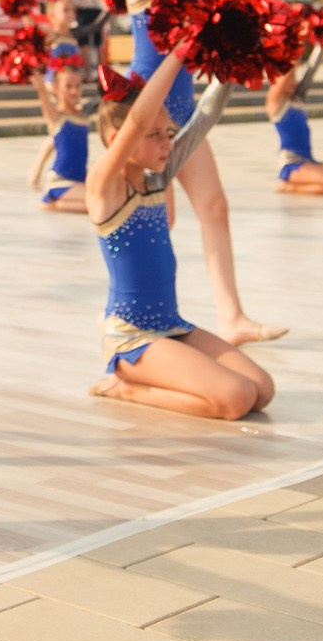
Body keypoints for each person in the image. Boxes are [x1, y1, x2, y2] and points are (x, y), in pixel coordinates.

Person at [125, 0, 305, 343]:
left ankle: (233, 318)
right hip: (147, 121)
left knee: (215, 207)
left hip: (186, 115)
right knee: (156, 221)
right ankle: (141, 316)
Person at [85, 53, 276, 418]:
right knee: (235, 399)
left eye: (168, 134)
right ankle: (126, 388)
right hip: (133, 338)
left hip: (170, 327)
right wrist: (179, 55)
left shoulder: (158, 178)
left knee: (262, 390)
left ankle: (153, 377)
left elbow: (205, 116)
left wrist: (234, 58)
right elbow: (139, 117)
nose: (167, 143)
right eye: (154, 136)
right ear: (117, 139)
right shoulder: (105, 189)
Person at [265, 44, 323, 195]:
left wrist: (322, 44)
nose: (292, 82)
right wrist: (295, 41)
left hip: (308, 160)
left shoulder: (297, 98)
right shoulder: (275, 104)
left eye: (294, 78)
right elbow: (286, 71)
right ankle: (289, 187)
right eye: (289, 79)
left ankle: (296, 184)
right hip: (292, 164)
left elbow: (312, 68)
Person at [27, 54, 90, 213]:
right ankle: (53, 200)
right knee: (97, 203)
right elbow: (42, 92)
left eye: (77, 86)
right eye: (68, 86)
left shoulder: (82, 115)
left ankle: (55, 204)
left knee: (108, 199)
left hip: (80, 179)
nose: (74, 91)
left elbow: (50, 144)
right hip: (60, 181)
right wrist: (35, 75)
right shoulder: (56, 117)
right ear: (56, 88)